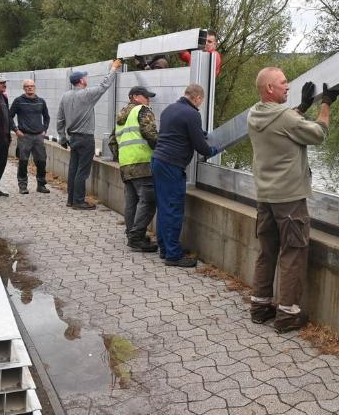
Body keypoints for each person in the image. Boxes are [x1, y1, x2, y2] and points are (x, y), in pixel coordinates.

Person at [246, 67, 339, 333]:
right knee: (293, 254)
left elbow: (282, 124)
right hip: (289, 199)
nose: (288, 86)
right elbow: (319, 134)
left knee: (267, 252)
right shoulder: (285, 118)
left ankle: (260, 307)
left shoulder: (254, 114)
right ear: (269, 89)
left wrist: (301, 106)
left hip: (265, 197)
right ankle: (287, 316)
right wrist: (325, 104)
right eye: (284, 83)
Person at [151, 84, 219, 267]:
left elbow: (179, 132)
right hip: (171, 165)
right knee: (173, 210)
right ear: (197, 98)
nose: (200, 104)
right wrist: (214, 149)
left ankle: (165, 249)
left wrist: (199, 133)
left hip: (158, 161)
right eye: (201, 101)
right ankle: (173, 255)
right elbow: (201, 147)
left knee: (164, 207)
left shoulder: (169, 109)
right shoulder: (192, 114)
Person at [56, 59, 122, 209]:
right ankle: (79, 202)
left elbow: (60, 119)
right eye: (85, 77)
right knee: (82, 171)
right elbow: (104, 85)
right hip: (85, 138)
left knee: (73, 169)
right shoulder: (86, 94)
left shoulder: (65, 96)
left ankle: (71, 199)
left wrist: (62, 137)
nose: (87, 79)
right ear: (81, 81)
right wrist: (114, 69)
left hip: (72, 138)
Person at [109, 86, 158, 252]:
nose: (148, 100)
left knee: (132, 202)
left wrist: (120, 157)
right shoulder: (142, 110)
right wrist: (160, 151)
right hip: (142, 163)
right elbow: (150, 133)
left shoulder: (121, 114)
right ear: (135, 97)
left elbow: (112, 140)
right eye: (146, 96)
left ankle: (132, 234)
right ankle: (137, 238)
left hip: (126, 165)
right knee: (149, 201)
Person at [9, 79, 51, 194]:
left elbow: (47, 117)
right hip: (24, 136)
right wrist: (16, 130)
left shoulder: (41, 101)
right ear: (24, 88)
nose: (30, 88)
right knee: (23, 162)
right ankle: (23, 186)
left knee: (41, 161)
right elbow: (9, 116)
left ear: (35, 87)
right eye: (27, 86)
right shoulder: (18, 101)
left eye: (32, 86)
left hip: (38, 136)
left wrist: (44, 129)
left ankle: (41, 185)